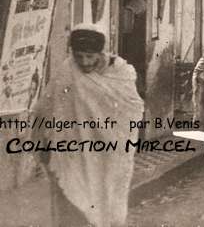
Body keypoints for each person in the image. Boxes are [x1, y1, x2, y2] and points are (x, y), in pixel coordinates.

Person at [32, 23, 144, 227]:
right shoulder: (67, 70)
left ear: (101, 53)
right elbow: (46, 107)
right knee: (72, 207)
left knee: (104, 204)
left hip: (106, 156)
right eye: (79, 55)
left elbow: (133, 110)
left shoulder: (121, 73)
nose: (84, 62)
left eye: (90, 56)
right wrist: (42, 142)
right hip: (71, 154)